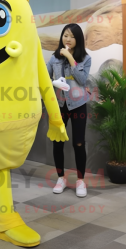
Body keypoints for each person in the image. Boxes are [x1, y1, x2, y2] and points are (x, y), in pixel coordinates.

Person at [46, 23, 91, 197]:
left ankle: (80, 181)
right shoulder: (54, 58)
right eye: (66, 35)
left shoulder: (86, 59)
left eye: (72, 36)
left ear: (78, 39)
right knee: (58, 142)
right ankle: (61, 178)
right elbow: (44, 78)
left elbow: (82, 79)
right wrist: (53, 83)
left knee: (78, 142)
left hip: (79, 104)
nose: (68, 39)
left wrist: (71, 59)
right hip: (60, 104)